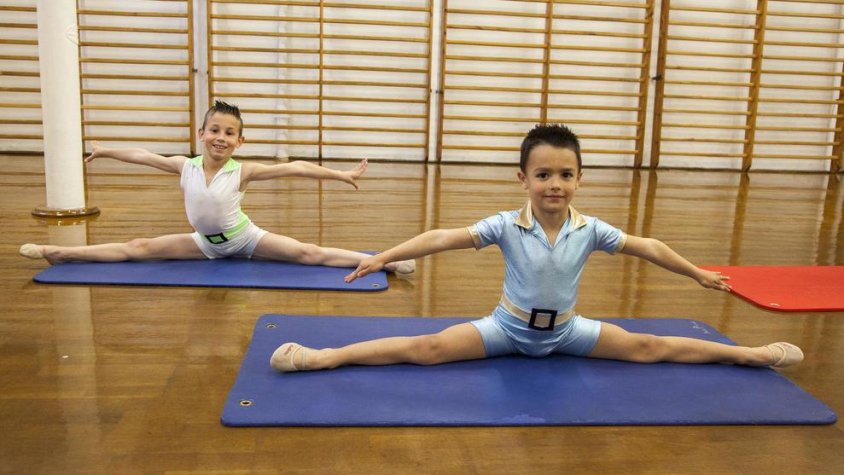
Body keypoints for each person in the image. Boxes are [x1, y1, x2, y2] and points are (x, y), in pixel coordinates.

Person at [269, 123, 802, 372]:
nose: (555, 184)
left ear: (579, 179)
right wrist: (383, 256)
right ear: (522, 177)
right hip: (507, 327)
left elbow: (649, 247)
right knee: (425, 349)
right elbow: (443, 237)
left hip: (567, 331)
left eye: (566, 174)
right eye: (543, 173)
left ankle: (749, 355)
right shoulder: (506, 224)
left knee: (651, 347)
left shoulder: (589, 229)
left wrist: (697, 274)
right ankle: (325, 358)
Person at [19, 100, 415, 274]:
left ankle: (386, 260)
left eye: (230, 133)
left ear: (240, 142)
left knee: (309, 254)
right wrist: (106, 151)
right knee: (137, 249)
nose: (221, 138)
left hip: (244, 239)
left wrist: (341, 175)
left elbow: (294, 167)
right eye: (215, 131)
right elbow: (142, 155)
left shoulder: (242, 171)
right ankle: (60, 252)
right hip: (205, 242)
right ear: (201, 133)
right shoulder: (183, 166)